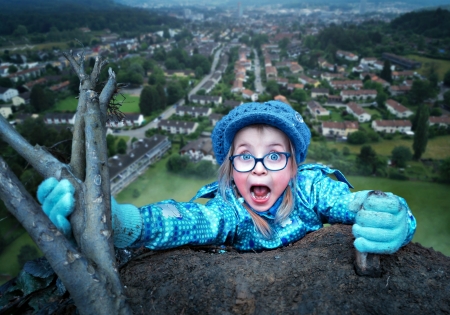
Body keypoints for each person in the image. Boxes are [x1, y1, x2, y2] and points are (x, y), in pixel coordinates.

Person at [37, 101, 416, 254]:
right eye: (246, 157)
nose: (260, 167)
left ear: (294, 166)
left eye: (274, 156)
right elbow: (185, 220)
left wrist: (386, 211)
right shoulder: (230, 210)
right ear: (231, 170)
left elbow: (350, 201)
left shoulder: (309, 188)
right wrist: (118, 222)